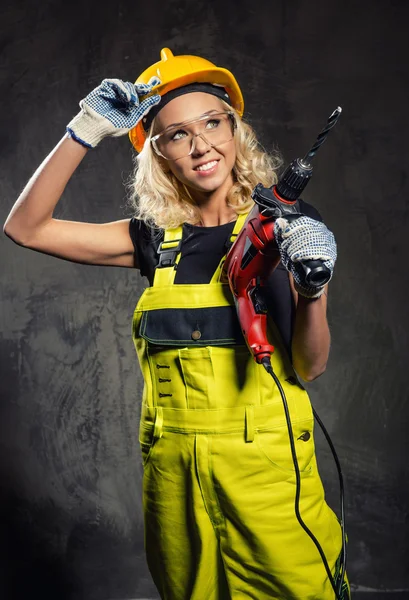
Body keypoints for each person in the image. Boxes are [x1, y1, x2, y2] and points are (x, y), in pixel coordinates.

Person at [4, 48, 350, 600]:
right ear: (159, 153)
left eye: (213, 123)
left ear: (236, 130)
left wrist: (313, 288)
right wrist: (86, 128)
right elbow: (26, 228)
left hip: (265, 471)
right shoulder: (152, 238)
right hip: (174, 478)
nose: (202, 146)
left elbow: (310, 366)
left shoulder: (285, 228)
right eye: (177, 134)